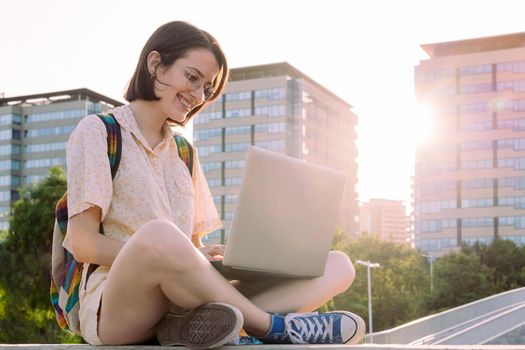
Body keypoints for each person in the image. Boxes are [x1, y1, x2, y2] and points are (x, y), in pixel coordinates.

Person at [65, 20, 365, 348]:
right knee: (160, 235)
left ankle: (202, 326)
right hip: (117, 306)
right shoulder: (98, 131)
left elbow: (191, 244)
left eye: (206, 87)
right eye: (192, 77)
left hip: (184, 303)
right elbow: (81, 242)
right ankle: (269, 327)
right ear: (155, 64)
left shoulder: (184, 152)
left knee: (339, 266)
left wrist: (199, 256)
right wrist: (161, 255)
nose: (198, 95)